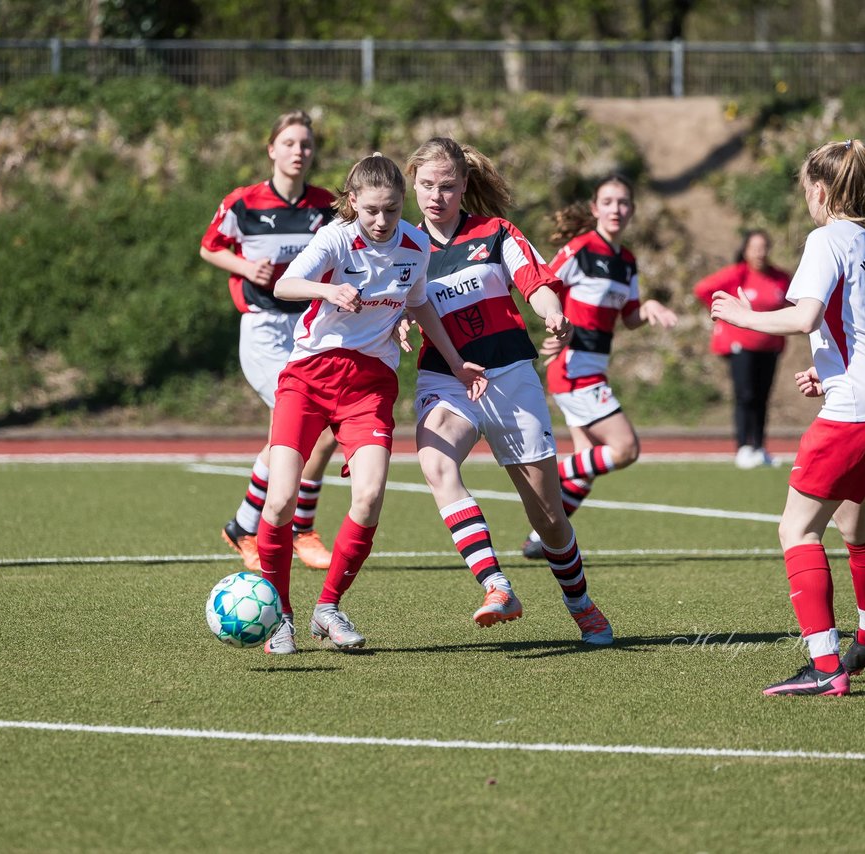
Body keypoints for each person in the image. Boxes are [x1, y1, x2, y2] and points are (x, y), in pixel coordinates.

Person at [710, 138, 865, 697]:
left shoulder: (829, 238)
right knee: (857, 524)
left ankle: (825, 665)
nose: (807, 199)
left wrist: (743, 315)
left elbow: (804, 317)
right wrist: (831, 375)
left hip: (857, 411)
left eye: (807, 189)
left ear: (822, 190)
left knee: (797, 528)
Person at [256, 153, 486, 655]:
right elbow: (283, 284)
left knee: (370, 494)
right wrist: (328, 289)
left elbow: (420, 302)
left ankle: (328, 608)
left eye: (391, 210)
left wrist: (458, 359)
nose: (382, 222)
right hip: (309, 376)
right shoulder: (336, 238)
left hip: (370, 385)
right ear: (353, 202)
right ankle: (281, 618)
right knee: (279, 501)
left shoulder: (415, 244)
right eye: (371, 211)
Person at [404, 136, 614, 645]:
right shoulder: (402, 247)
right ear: (413, 183)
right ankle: (496, 586)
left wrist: (552, 312)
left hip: (510, 376)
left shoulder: (495, 233)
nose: (436, 196)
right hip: (448, 379)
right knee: (435, 462)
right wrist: (396, 325)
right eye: (427, 185)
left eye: (447, 186)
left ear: (465, 186)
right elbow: (389, 302)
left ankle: (581, 604)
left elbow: (533, 280)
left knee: (548, 520)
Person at [200, 110, 339, 571]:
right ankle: (289, 529)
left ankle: (252, 527)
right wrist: (244, 268)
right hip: (262, 329)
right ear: (272, 149)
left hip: (309, 329)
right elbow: (209, 246)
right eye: (291, 143)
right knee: (298, 424)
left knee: (317, 433)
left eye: (306, 145)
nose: (299, 152)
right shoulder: (244, 203)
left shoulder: (325, 206)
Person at [518, 175, 678, 559]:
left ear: (632, 210)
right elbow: (539, 285)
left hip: (593, 369)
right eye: (608, 202)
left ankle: (541, 541)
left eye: (623, 203)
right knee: (624, 449)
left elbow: (629, 317)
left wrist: (649, 307)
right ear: (595, 209)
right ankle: (548, 475)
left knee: (586, 466)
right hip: (574, 368)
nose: (616, 209)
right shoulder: (580, 249)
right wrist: (556, 324)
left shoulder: (627, 262)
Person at [693, 230, 792, 469]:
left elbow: (794, 305)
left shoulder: (779, 278)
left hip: (770, 346)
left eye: (763, 247)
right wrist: (722, 315)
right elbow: (703, 289)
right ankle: (743, 447)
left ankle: (759, 446)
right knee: (745, 395)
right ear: (745, 250)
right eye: (754, 247)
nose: (759, 252)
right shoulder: (737, 274)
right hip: (741, 346)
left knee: (762, 397)